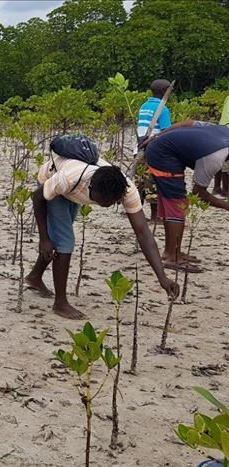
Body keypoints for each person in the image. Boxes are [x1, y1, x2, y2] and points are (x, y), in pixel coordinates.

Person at [25, 135, 179, 320]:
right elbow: (37, 197)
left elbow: (143, 232)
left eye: (111, 202)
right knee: (64, 241)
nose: (106, 204)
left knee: (59, 240)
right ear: (90, 187)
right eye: (101, 200)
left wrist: (162, 277)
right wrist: (44, 238)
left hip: (74, 194)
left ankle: (34, 277)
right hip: (53, 183)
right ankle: (60, 303)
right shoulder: (69, 178)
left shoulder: (127, 190)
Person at [143, 122, 229, 272]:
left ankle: (172, 251)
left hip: (164, 149)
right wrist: (226, 206)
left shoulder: (224, 131)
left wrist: (157, 136)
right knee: (177, 203)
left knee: (171, 199)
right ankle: (172, 256)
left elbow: (186, 123)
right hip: (162, 154)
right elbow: (198, 193)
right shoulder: (214, 157)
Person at [135, 79, 173, 221]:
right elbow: (166, 131)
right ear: (164, 92)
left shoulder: (144, 106)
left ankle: (137, 215)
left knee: (140, 182)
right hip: (154, 150)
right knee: (153, 182)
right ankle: (155, 216)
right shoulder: (162, 108)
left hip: (140, 148)